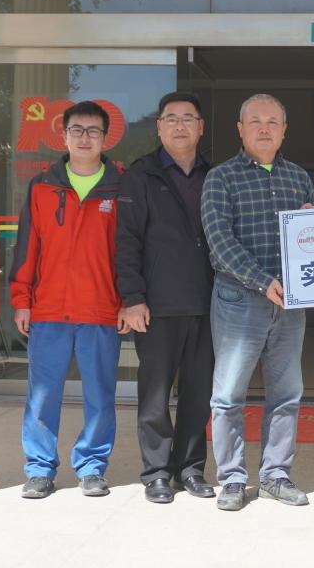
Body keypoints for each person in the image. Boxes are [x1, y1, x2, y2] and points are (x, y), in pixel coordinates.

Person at [201, 93, 314, 512]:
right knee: (228, 395)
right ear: (240, 129)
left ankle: (275, 476)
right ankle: (232, 479)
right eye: (255, 121)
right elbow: (220, 242)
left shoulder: (299, 178)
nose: (264, 129)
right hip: (238, 302)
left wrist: (313, 220)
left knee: (286, 393)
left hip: (290, 305)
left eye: (272, 122)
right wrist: (263, 281)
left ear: (284, 130)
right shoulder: (221, 178)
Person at [11, 100, 125, 500]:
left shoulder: (121, 187)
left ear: (105, 138)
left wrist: (127, 300)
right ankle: (39, 469)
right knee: (42, 395)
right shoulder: (42, 186)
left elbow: (128, 252)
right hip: (49, 309)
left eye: (93, 131)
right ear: (64, 136)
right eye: (77, 130)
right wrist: (22, 299)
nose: (84, 138)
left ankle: (92, 467)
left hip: (101, 309)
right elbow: (27, 247)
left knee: (100, 395)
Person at [116, 92, 215, 503]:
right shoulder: (140, 176)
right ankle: (156, 472)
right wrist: (133, 297)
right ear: (159, 127)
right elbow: (126, 241)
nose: (179, 125)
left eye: (188, 118)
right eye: (171, 118)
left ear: (200, 127)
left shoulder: (216, 176)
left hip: (208, 304)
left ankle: (190, 468)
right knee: (155, 395)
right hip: (156, 305)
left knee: (198, 393)